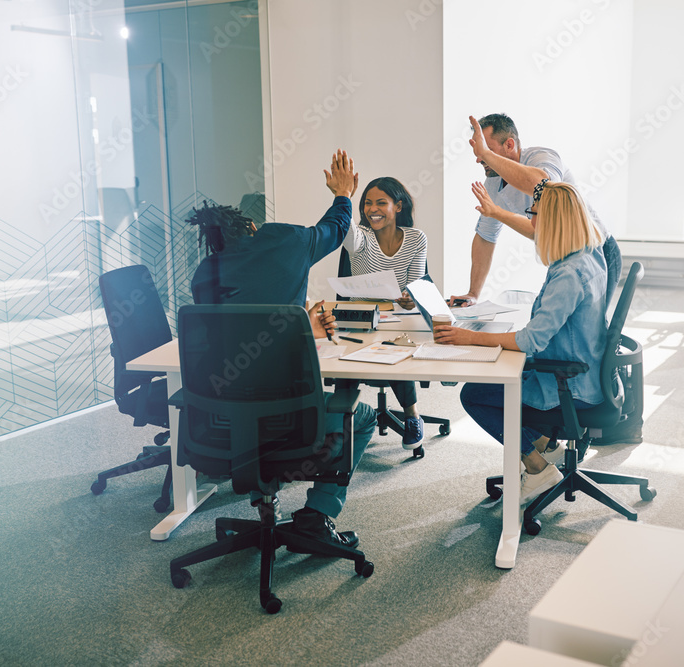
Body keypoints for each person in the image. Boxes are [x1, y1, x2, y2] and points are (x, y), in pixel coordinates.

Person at [188, 149, 376, 551]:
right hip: (290, 423)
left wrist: (298, 325)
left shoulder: (206, 272)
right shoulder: (287, 243)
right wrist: (343, 193)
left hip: (219, 424)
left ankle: (263, 503)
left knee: (254, 404)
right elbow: (336, 225)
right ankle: (317, 515)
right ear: (253, 227)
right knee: (361, 415)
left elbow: (223, 339)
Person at [435, 181, 607, 505]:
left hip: (570, 385)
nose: (531, 221)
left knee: (474, 394)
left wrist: (471, 337)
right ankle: (543, 444)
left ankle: (537, 465)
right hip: (584, 372)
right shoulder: (588, 255)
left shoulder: (569, 274)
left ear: (554, 221)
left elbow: (532, 340)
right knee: (500, 375)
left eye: (534, 213)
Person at [447, 113, 621, 314]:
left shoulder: (542, 158)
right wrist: (473, 294)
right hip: (562, 260)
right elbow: (486, 237)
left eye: (486, 149)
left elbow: (542, 187)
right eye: (478, 150)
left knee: (591, 329)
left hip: (597, 250)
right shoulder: (493, 183)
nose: (479, 158)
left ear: (509, 145)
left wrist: (487, 158)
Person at [342, 176, 428, 448]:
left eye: (381, 202)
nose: (372, 209)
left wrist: (409, 299)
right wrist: (343, 195)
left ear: (398, 206)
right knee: (348, 358)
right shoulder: (361, 238)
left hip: (397, 318)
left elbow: (414, 288)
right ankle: (340, 421)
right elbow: (347, 231)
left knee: (394, 349)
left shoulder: (416, 239)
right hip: (361, 317)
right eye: (367, 203)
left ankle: (413, 416)